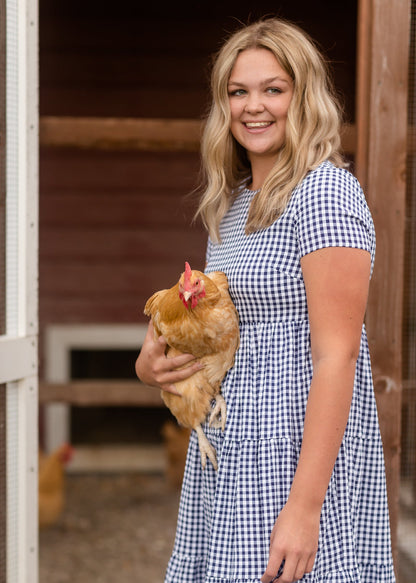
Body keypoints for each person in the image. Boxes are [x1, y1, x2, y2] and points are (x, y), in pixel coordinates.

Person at [135, 17, 396, 583]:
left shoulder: (323, 194)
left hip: (294, 451)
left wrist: (304, 510)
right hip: (234, 447)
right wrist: (151, 362)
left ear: (304, 97)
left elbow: (337, 358)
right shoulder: (231, 203)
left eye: (273, 89)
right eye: (238, 91)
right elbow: (224, 323)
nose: (254, 106)